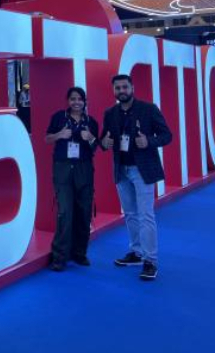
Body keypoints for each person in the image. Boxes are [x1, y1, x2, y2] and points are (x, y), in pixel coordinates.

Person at [100, 74, 172, 281]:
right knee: (130, 214)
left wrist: (148, 141)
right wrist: (104, 143)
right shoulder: (110, 113)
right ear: (114, 91)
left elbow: (167, 136)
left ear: (132, 88)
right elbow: (105, 139)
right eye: (117, 88)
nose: (121, 91)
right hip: (121, 170)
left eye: (125, 87)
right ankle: (136, 252)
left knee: (146, 215)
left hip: (142, 170)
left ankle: (150, 260)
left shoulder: (148, 109)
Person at [44, 87, 98, 271]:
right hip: (63, 168)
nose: (76, 102)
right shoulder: (59, 117)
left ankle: (79, 253)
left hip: (84, 168)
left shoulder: (91, 122)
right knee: (65, 212)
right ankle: (59, 257)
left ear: (84, 101)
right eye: (73, 99)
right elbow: (47, 139)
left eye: (80, 99)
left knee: (84, 212)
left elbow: (96, 147)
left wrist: (90, 138)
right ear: (68, 101)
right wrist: (60, 135)